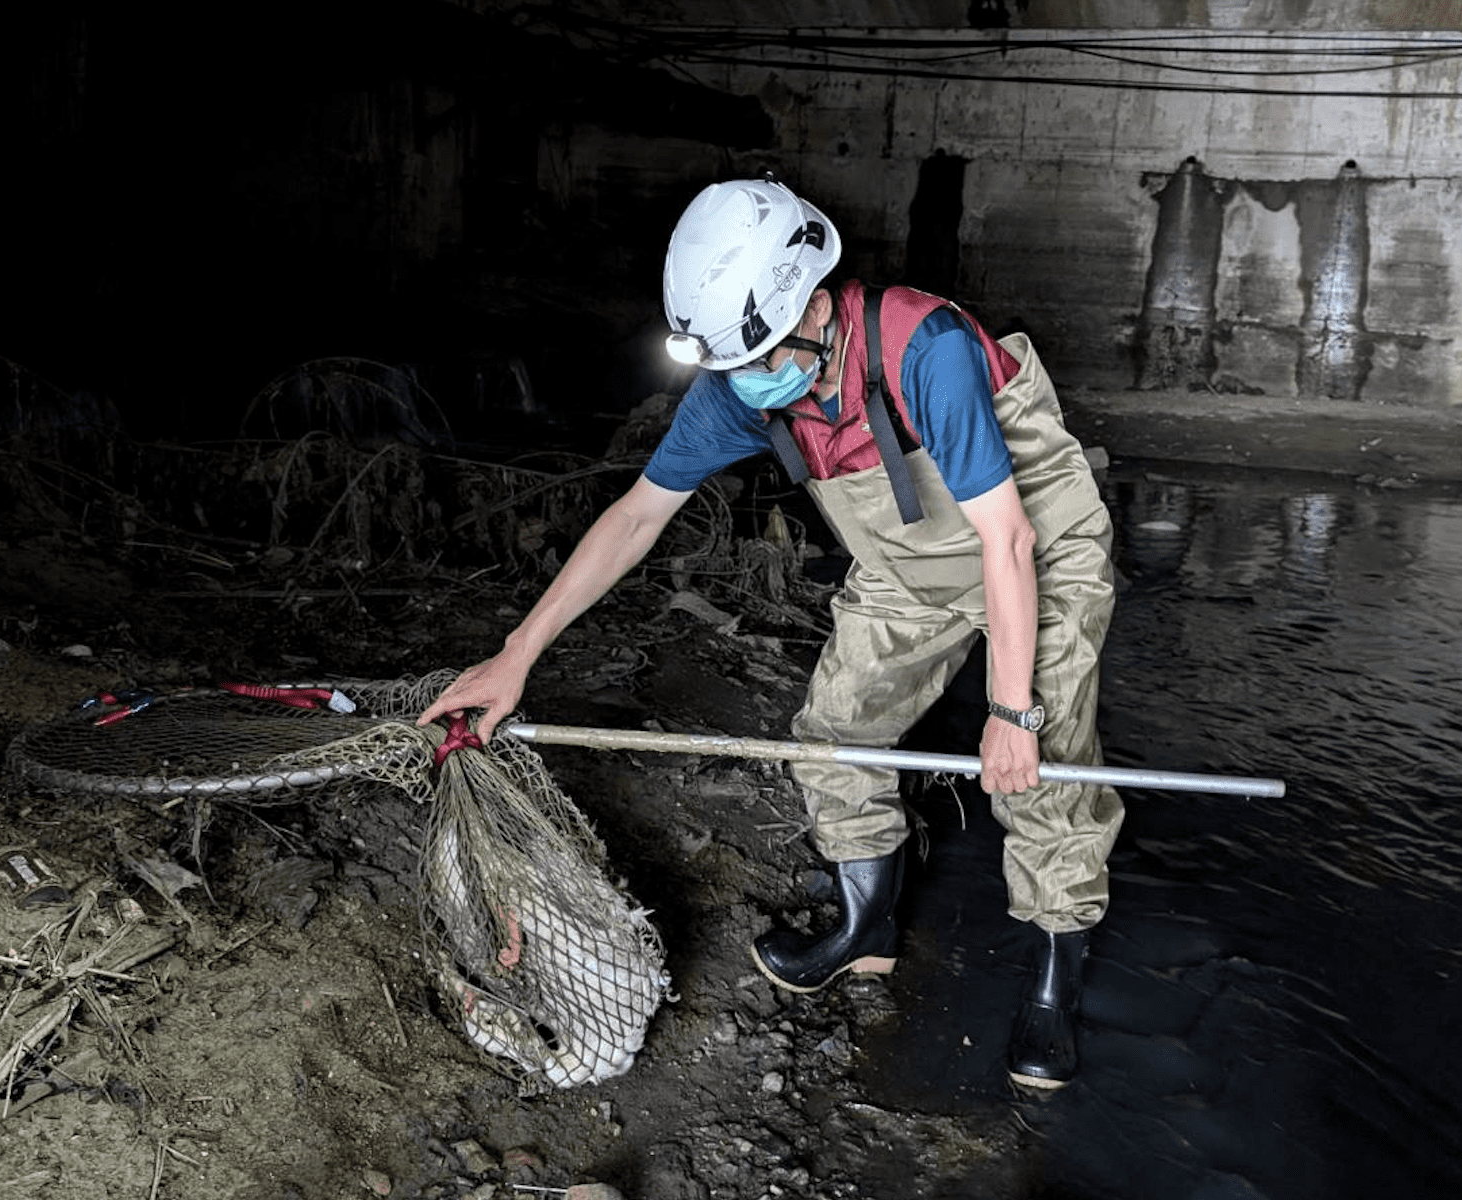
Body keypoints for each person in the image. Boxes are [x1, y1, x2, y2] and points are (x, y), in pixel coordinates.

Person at [420, 177, 1121, 1090]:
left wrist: (1013, 709)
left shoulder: (927, 348)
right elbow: (637, 517)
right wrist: (519, 652)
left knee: (1046, 764)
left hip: (1038, 552)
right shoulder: (740, 388)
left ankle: (1056, 978)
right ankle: (866, 929)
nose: (749, 383)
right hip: (908, 575)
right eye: (732, 367)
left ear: (818, 305)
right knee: (835, 736)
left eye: (760, 356)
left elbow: (1010, 537)